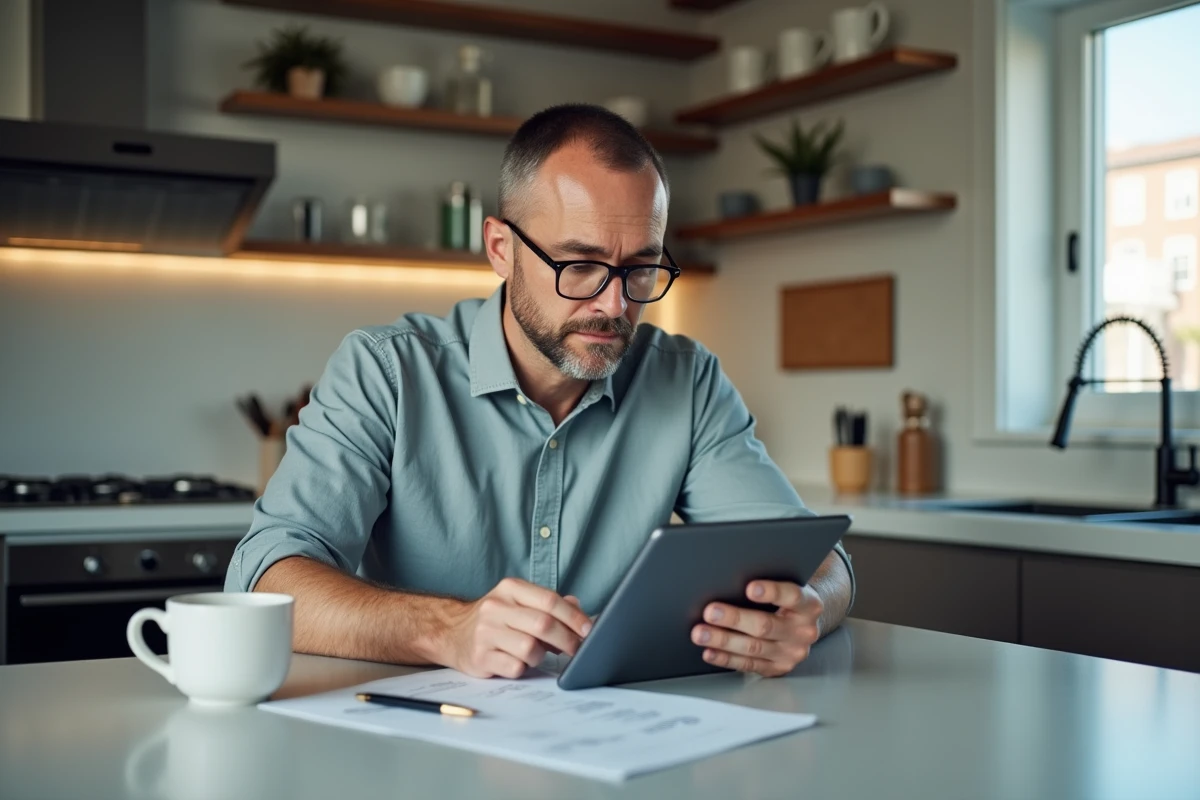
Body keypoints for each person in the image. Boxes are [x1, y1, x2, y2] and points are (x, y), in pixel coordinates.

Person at [226, 104, 855, 680]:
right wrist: (445, 629)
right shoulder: (385, 371)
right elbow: (262, 582)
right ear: (501, 248)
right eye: (578, 265)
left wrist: (808, 611)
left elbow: (816, 560)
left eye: (640, 268)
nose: (614, 305)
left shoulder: (684, 379)